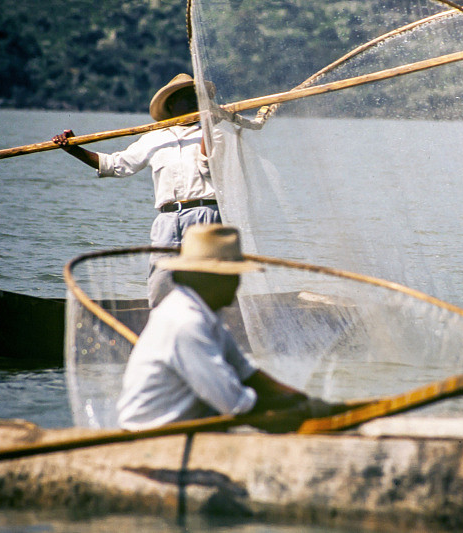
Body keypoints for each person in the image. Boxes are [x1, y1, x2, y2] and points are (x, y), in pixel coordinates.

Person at [116, 224, 309, 430]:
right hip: (150, 435)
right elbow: (234, 404)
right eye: (231, 276)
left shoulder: (207, 315)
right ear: (210, 279)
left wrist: (302, 399)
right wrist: (299, 412)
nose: (237, 283)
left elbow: (248, 373)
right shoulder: (186, 323)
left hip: (186, 429)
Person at [53, 73, 219, 306]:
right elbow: (115, 165)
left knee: (205, 283)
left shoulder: (214, 131)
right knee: (161, 282)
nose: (194, 102)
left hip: (205, 215)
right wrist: (74, 149)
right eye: (187, 97)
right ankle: (160, 321)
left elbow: (207, 166)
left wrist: (209, 126)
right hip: (168, 219)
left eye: (197, 97)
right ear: (172, 105)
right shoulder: (155, 138)